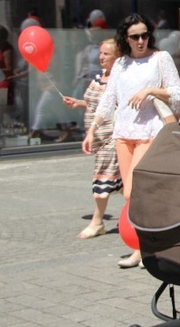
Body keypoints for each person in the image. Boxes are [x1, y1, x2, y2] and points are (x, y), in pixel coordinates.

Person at [82, 14, 180, 268]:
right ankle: (142, 248)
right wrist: (92, 129)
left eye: (145, 35)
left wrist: (150, 90)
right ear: (125, 39)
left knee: (132, 190)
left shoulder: (160, 58)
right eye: (135, 36)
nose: (141, 40)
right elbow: (108, 100)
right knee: (131, 197)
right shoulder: (121, 64)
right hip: (123, 133)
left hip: (150, 132)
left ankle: (150, 244)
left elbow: (178, 95)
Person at [63, 39, 122, 239]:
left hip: (112, 138)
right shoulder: (100, 77)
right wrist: (77, 103)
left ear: (117, 57)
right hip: (98, 139)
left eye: (106, 54)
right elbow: (94, 104)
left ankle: (97, 222)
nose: (101, 57)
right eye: (101, 53)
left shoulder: (120, 80)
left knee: (102, 176)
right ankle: (138, 216)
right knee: (122, 183)